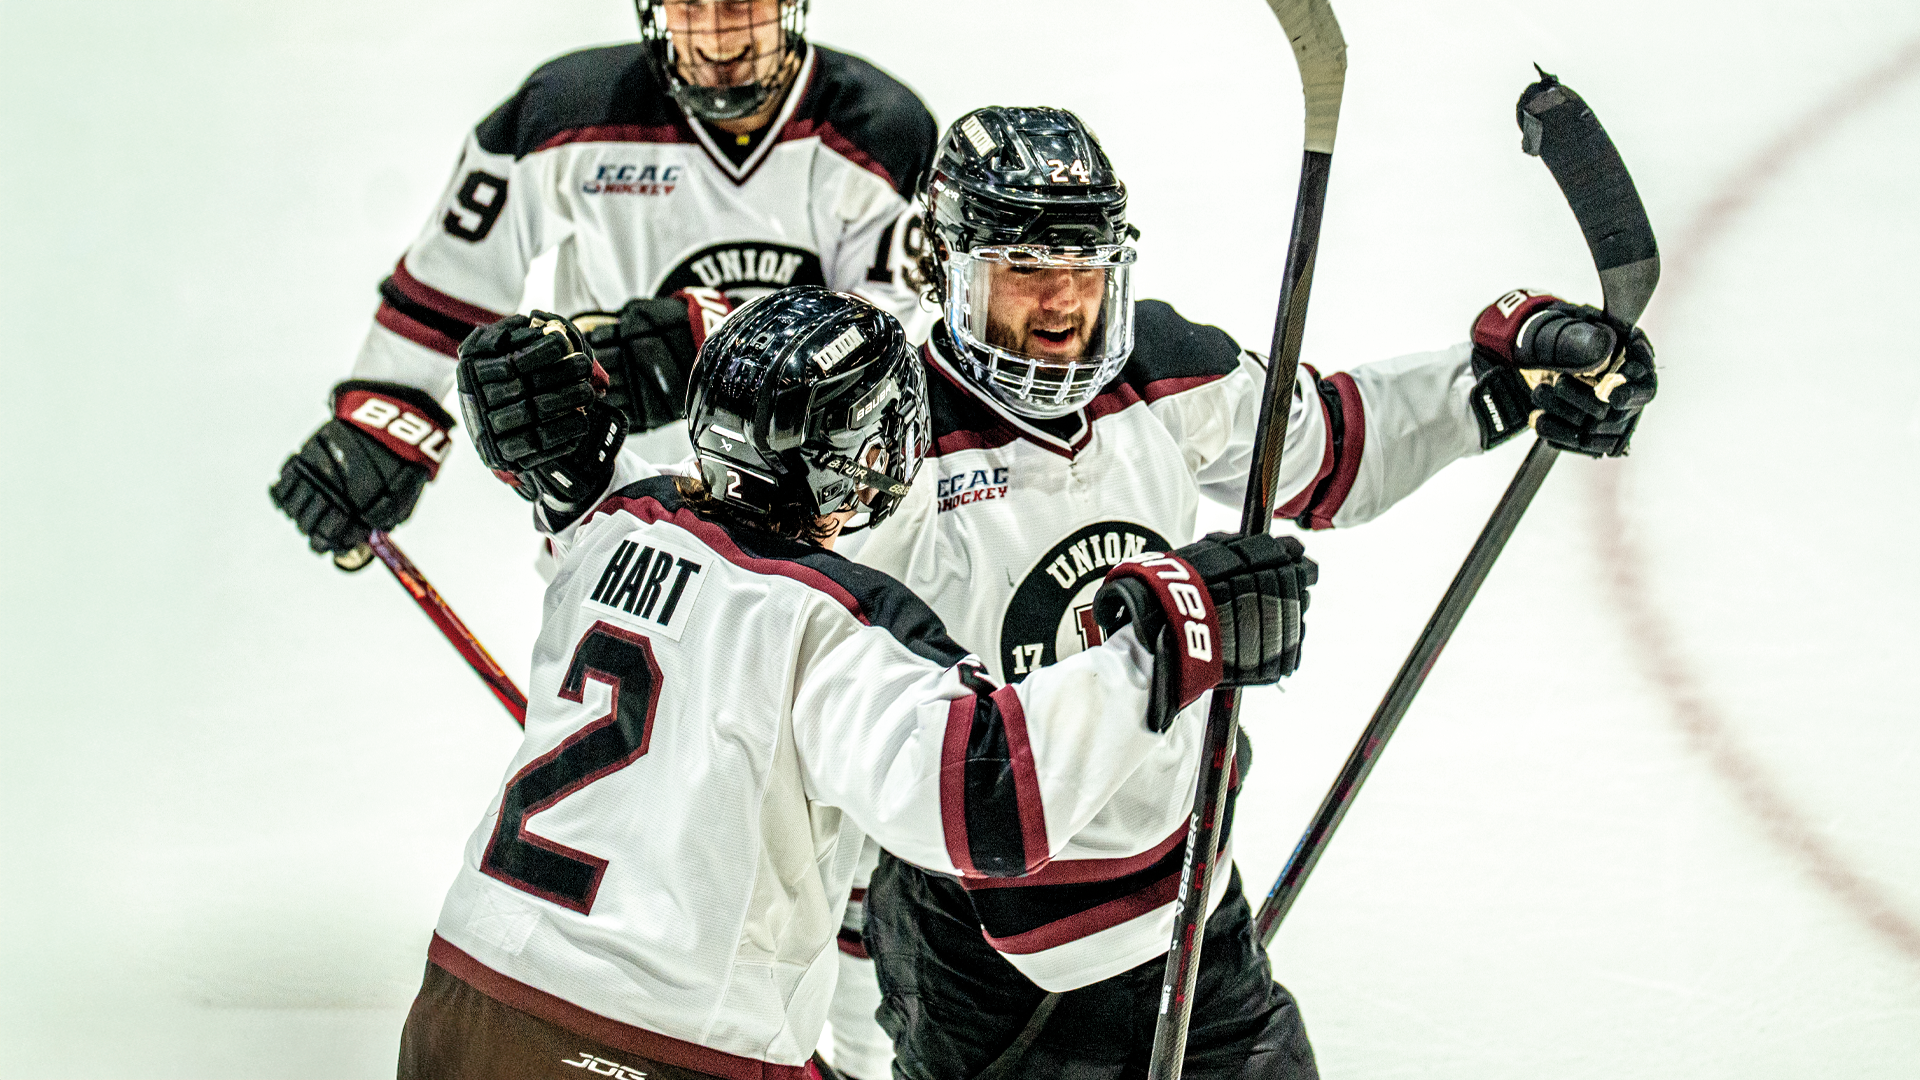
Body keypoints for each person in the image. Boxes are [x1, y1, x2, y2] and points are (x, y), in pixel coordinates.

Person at [602, 107, 1656, 1078]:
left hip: (1194, 901)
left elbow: (1334, 442)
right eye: (1024, 267)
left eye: (1083, 266)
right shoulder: (885, 426)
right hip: (978, 952)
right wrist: (587, 442)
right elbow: (755, 586)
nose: (1062, 301)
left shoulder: (1164, 367)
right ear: (953, 267)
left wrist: (1508, 384)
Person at [398, 286, 1317, 1080]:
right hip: (669, 1044)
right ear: (878, 456)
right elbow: (985, 802)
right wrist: (1167, 632)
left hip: (463, 992)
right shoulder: (840, 621)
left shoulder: (610, 531)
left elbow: (582, 492)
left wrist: (564, 450)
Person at [269, 0, 937, 567]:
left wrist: (707, 343)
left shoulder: (877, 130)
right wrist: (386, 422)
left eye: (738, 5)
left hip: (813, 515)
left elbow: (889, 343)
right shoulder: (564, 112)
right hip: (614, 495)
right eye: (689, 8)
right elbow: (452, 283)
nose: (714, 39)